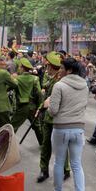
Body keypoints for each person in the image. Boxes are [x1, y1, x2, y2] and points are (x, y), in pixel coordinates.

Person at [46, 58, 88, 191]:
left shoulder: (59, 85)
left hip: (61, 129)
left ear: (69, 70)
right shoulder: (85, 85)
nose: (60, 70)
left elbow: (53, 111)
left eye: (62, 67)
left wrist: (48, 104)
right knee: (77, 165)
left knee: (59, 161)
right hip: (78, 129)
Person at [37, 52, 70, 183]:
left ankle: (66, 170)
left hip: (59, 118)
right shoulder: (49, 77)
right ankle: (43, 170)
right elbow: (45, 94)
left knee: (61, 146)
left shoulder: (62, 81)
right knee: (45, 145)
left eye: (48, 66)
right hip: (48, 117)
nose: (46, 68)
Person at [10, 58, 43, 146]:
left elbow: (8, 89)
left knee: (13, 127)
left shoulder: (17, 79)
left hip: (21, 107)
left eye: (20, 67)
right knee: (37, 127)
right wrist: (40, 107)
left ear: (22, 68)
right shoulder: (35, 79)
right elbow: (39, 94)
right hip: (33, 107)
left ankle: (6, 145)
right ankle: (43, 144)